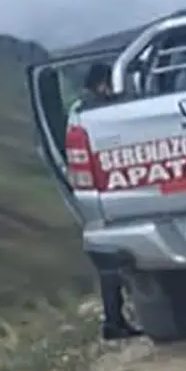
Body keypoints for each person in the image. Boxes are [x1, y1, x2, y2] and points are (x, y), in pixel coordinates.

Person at [70, 63, 141, 340]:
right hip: (105, 196)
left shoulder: (80, 110)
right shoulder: (97, 110)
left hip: (95, 197)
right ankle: (113, 321)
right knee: (111, 271)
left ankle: (115, 319)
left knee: (109, 269)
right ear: (103, 83)